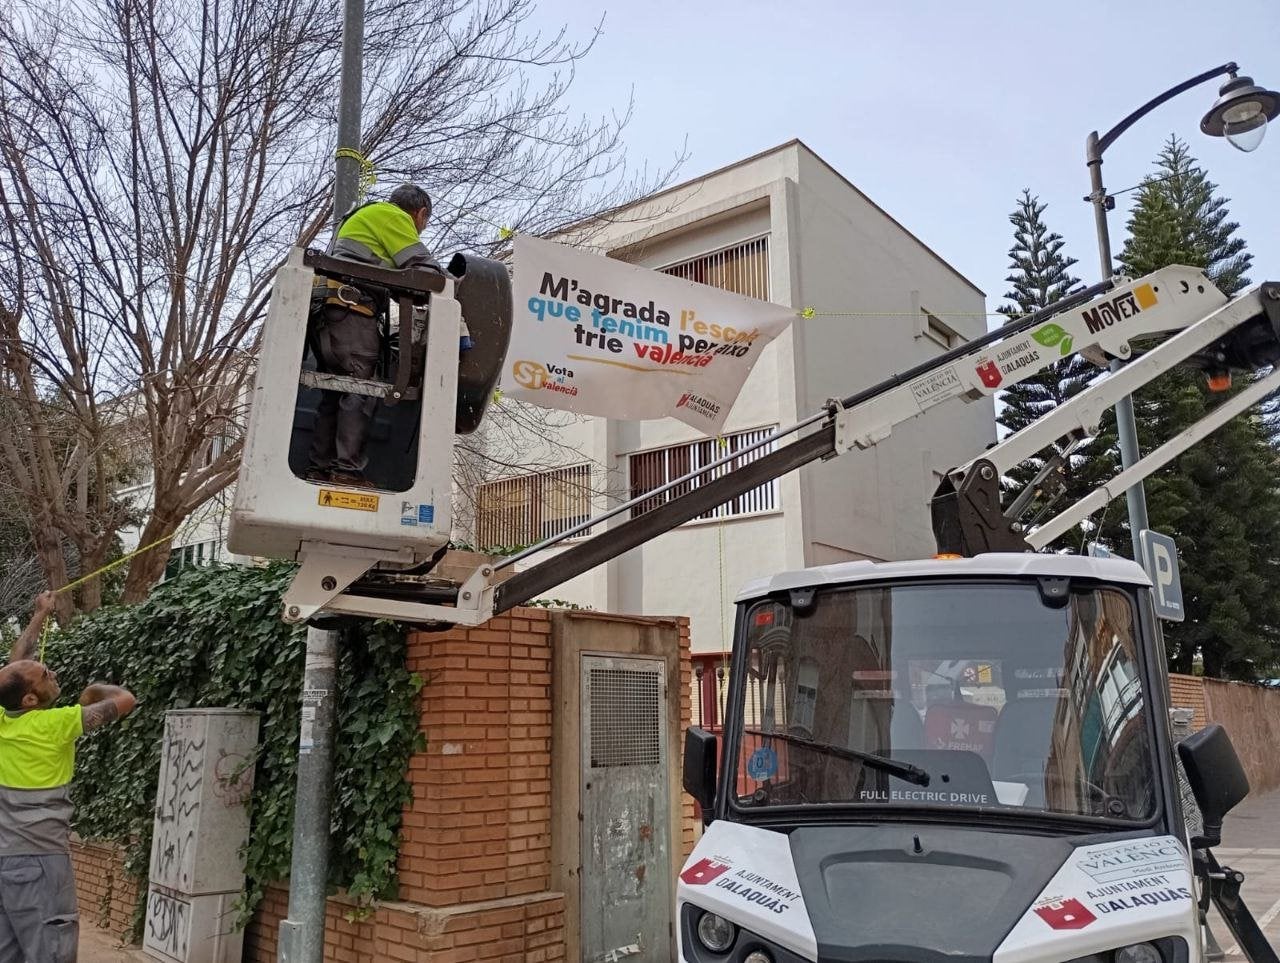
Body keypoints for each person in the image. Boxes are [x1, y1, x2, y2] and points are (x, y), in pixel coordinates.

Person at [0, 590, 136, 962]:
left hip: (4, 861)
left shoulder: (3, 719)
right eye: (45, 674)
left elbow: (15, 666)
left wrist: (40, 614)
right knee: (52, 951)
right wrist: (94, 691)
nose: (52, 671)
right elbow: (126, 700)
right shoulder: (55, 724)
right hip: (41, 863)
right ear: (29, 699)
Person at [307, 183, 450, 488]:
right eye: (423, 224)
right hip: (352, 314)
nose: (420, 231)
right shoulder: (393, 216)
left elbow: (397, 282)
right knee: (360, 390)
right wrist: (455, 285)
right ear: (421, 213)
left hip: (331, 316)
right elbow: (422, 269)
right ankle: (346, 470)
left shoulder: (364, 218)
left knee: (337, 392)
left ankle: (319, 468)